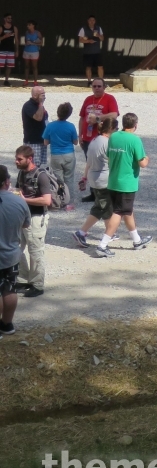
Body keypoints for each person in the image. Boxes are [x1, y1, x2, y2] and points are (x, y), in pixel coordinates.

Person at [98, 113, 152, 252]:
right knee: (119, 212)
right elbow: (142, 163)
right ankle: (103, 244)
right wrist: (147, 158)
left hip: (113, 180)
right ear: (136, 125)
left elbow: (109, 156)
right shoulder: (135, 140)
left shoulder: (114, 136)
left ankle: (137, 240)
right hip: (127, 183)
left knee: (127, 210)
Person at [71, 118, 117, 256]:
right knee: (107, 208)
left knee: (99, 207)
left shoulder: (94, 141)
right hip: (104, 179)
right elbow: (113, 161)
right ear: (111, 129)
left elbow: (88, 163)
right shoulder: (108, 143)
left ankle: (83, 232)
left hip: (93, 177)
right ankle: (107, 236)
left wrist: (84, 177)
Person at [12, 146, 50, 297]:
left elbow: (47, 200)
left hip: (36, 218)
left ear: (30, 159)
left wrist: (25, 199)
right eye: (16, 158)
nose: (16, 161)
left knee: (35, 251)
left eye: (19, 159)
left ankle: (37, 285)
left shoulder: (41, 176)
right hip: (21, 218)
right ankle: (22, 279)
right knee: (16, 248)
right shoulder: (22, 173)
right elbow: (17, 190)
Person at [0, 164, 30, 333]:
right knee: (10, 289)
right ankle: (7, 324)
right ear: (6, 181)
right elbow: (26, 224)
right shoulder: (19, 201)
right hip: (12, 254)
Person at [77, 79, 119, 202]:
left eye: (99, 86)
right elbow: (82, 118)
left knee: (106, 165)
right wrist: (80, 135)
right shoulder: (88, 99)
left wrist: (98, 118)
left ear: (104, 87)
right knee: (91, 165)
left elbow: (114, 114)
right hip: (88, 138)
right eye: (94, 86)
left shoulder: (110, 99)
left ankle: (108, 192)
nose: (96, 88)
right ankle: (93, 192)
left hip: (103, 138)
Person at [42, 102, 78, 211]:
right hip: (69, 154)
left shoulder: (51, 126)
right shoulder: (71, 126)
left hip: (56, 154)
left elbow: (45, 142)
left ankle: (59, 200)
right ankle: (69, 202)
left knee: (57, 179)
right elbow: (75, 142)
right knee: (69, 179)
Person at [21, 85, 48, 168]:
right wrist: (41, 104)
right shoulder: (28, 106)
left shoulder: (39, 106)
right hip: (33, 142)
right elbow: (38, 118)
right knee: (32, 166)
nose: (44, 96)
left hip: (41, 141)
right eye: (42, 94)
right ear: (35, 95)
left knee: (40, 166)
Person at [78, 15, 104, 82]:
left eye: (93, 20)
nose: (92, 22)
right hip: (88, 52)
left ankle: (101, 81)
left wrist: (98, 35)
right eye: (90, 20)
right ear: (88, 21)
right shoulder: (83, 29)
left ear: (95, 21)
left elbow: (102, 39)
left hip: (97, 51)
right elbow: (80, 40)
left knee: (100, 67)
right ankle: (89, 81)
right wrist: (88, 41)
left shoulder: (98, 28)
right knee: (88, 67)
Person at [0, 13, 18, 87]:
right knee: (0, 65)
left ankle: (6, 80)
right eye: (8, 18)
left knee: (9, 66)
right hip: (2, 50)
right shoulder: (1, 28)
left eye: (11, 18)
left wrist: (17, 50)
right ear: (5, 19)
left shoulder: (14, 28)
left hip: (11, 50)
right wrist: (4, 36)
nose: (10, 20)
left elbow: (16, 40)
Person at [21, 20, 41, 85]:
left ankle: (35, 81)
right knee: (26, 66)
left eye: (29, 25)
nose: (28, 26)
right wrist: (27, 43)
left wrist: (33, 43)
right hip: (26, 51)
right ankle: (26, 80)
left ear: (33, 25)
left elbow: (41, 43)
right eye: (27, 25)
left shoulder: (38, 33)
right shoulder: (26, 32)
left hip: (34, 52)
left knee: (34, 67)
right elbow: (25, 41)